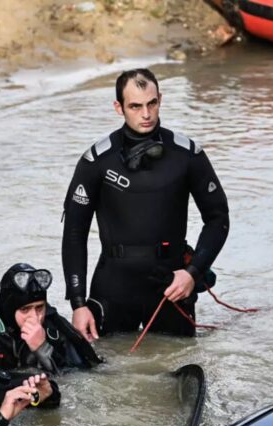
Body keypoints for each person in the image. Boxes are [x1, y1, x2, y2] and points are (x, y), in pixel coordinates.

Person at [61, 67, 230, 340]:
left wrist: (192, 273)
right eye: (135, 106)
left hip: (172, 286)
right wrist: (78, 304)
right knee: (107, 375)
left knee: (178, 366)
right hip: (113, 287)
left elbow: (218, 218)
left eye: (152, 103)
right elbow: (74, 234)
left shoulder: (186, 155)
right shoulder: (97, 161)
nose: (146, 114)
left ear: (160, 99)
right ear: (119, 108)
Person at [0, 262, 102, 374]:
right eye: (25, 310)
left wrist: (43, 349)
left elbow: (84, 373)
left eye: (40, 307)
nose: (35, 317)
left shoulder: (55, 325)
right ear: (9, 310)